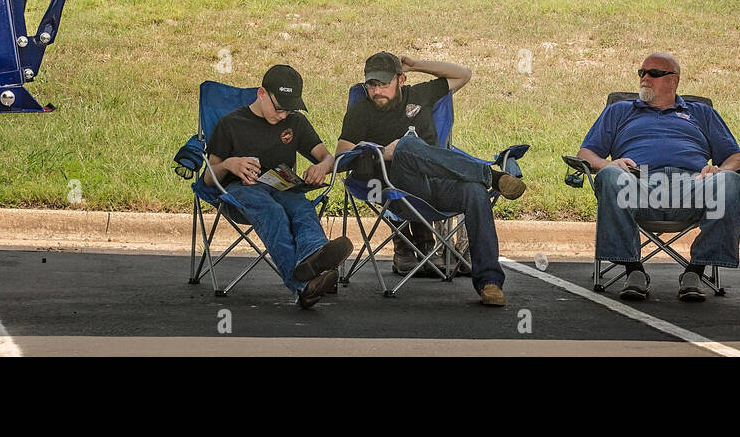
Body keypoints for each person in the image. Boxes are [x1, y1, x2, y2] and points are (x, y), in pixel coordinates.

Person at [337, 51, 525, 307]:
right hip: (399, 190)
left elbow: (464, 74)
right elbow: (342, 154)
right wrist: (384, 153)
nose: (377, 91)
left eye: (384, 83)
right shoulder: (361, 111)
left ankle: (489, 282)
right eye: (371, 84)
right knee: (406, 146)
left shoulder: (420, 94)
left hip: (437, 185)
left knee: (474, 191)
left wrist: (417, 65)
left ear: (400, 80)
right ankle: (491, 176)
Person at [576, 52, 740, 302]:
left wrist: (720, 171)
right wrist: (608, 164)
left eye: (654, 73)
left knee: (731, 182)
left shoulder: (701, 113)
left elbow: (736, 159)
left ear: (673, 81)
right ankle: (633, 270)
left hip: (692, 185)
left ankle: (695, 272)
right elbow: (586, 153)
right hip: (638, 183)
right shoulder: (619, 111)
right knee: (610, 175)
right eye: (641, 73)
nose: (645, 78)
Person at [204, 64, 353, 308]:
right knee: (273, 213)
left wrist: (321, 168)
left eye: (289, 109)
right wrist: (230, 164)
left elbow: (327, 157)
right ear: (261, 93)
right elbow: (209, 178)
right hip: (242, 191)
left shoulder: (295, 122)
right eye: (279, 108)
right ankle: (304, 282)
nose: (284, 115)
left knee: (301, 208)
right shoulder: (231, 123)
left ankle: (313, 258)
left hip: (283, 186)